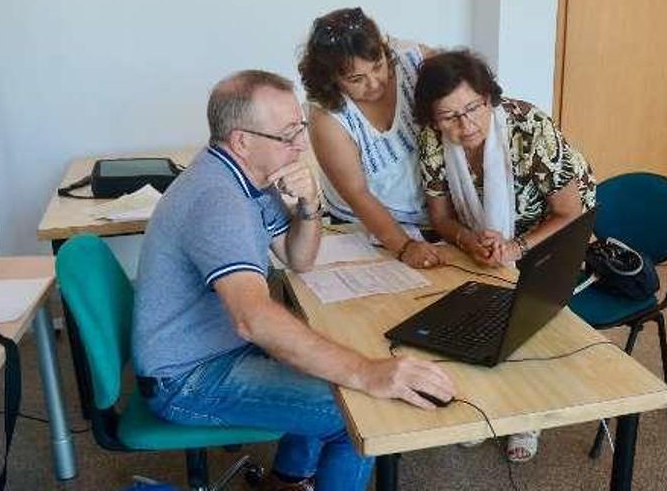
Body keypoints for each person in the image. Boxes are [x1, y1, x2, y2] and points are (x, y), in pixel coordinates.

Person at [132, 70, 456, 491]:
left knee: (335, 365)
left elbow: (299, 258)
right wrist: (366, 373)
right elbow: (254, 320)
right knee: (354, 409)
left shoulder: (249, 176)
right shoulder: (218, 201)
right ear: (242, 140)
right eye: (288, 135)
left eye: (300, 128)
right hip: (185, 378)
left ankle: (287, 481)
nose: (302, 144)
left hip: (220, 347)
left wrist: (309, 205)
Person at [413, 50, 597, 462]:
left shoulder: (529, 126)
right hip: (483, 239)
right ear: (432, 118)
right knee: (465, 304)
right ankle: (483, 403)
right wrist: (467, 240)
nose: (465, 125)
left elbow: (570, 212)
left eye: (473, 107)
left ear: (488, 96)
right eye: (448, 116)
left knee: (523, 315)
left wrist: (514, 248)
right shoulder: (431, 139)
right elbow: (439, 216)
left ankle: (525, 413)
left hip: (557, 237)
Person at [298, 7, 446, 270]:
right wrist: (404, 247)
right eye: (356, 79)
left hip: (436, 213)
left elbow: (465, 89)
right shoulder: (326, 117)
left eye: (378, 66)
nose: (375, 83)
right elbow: (357, 193)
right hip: (362, 226)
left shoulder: (414, 59)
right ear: (331, 80)